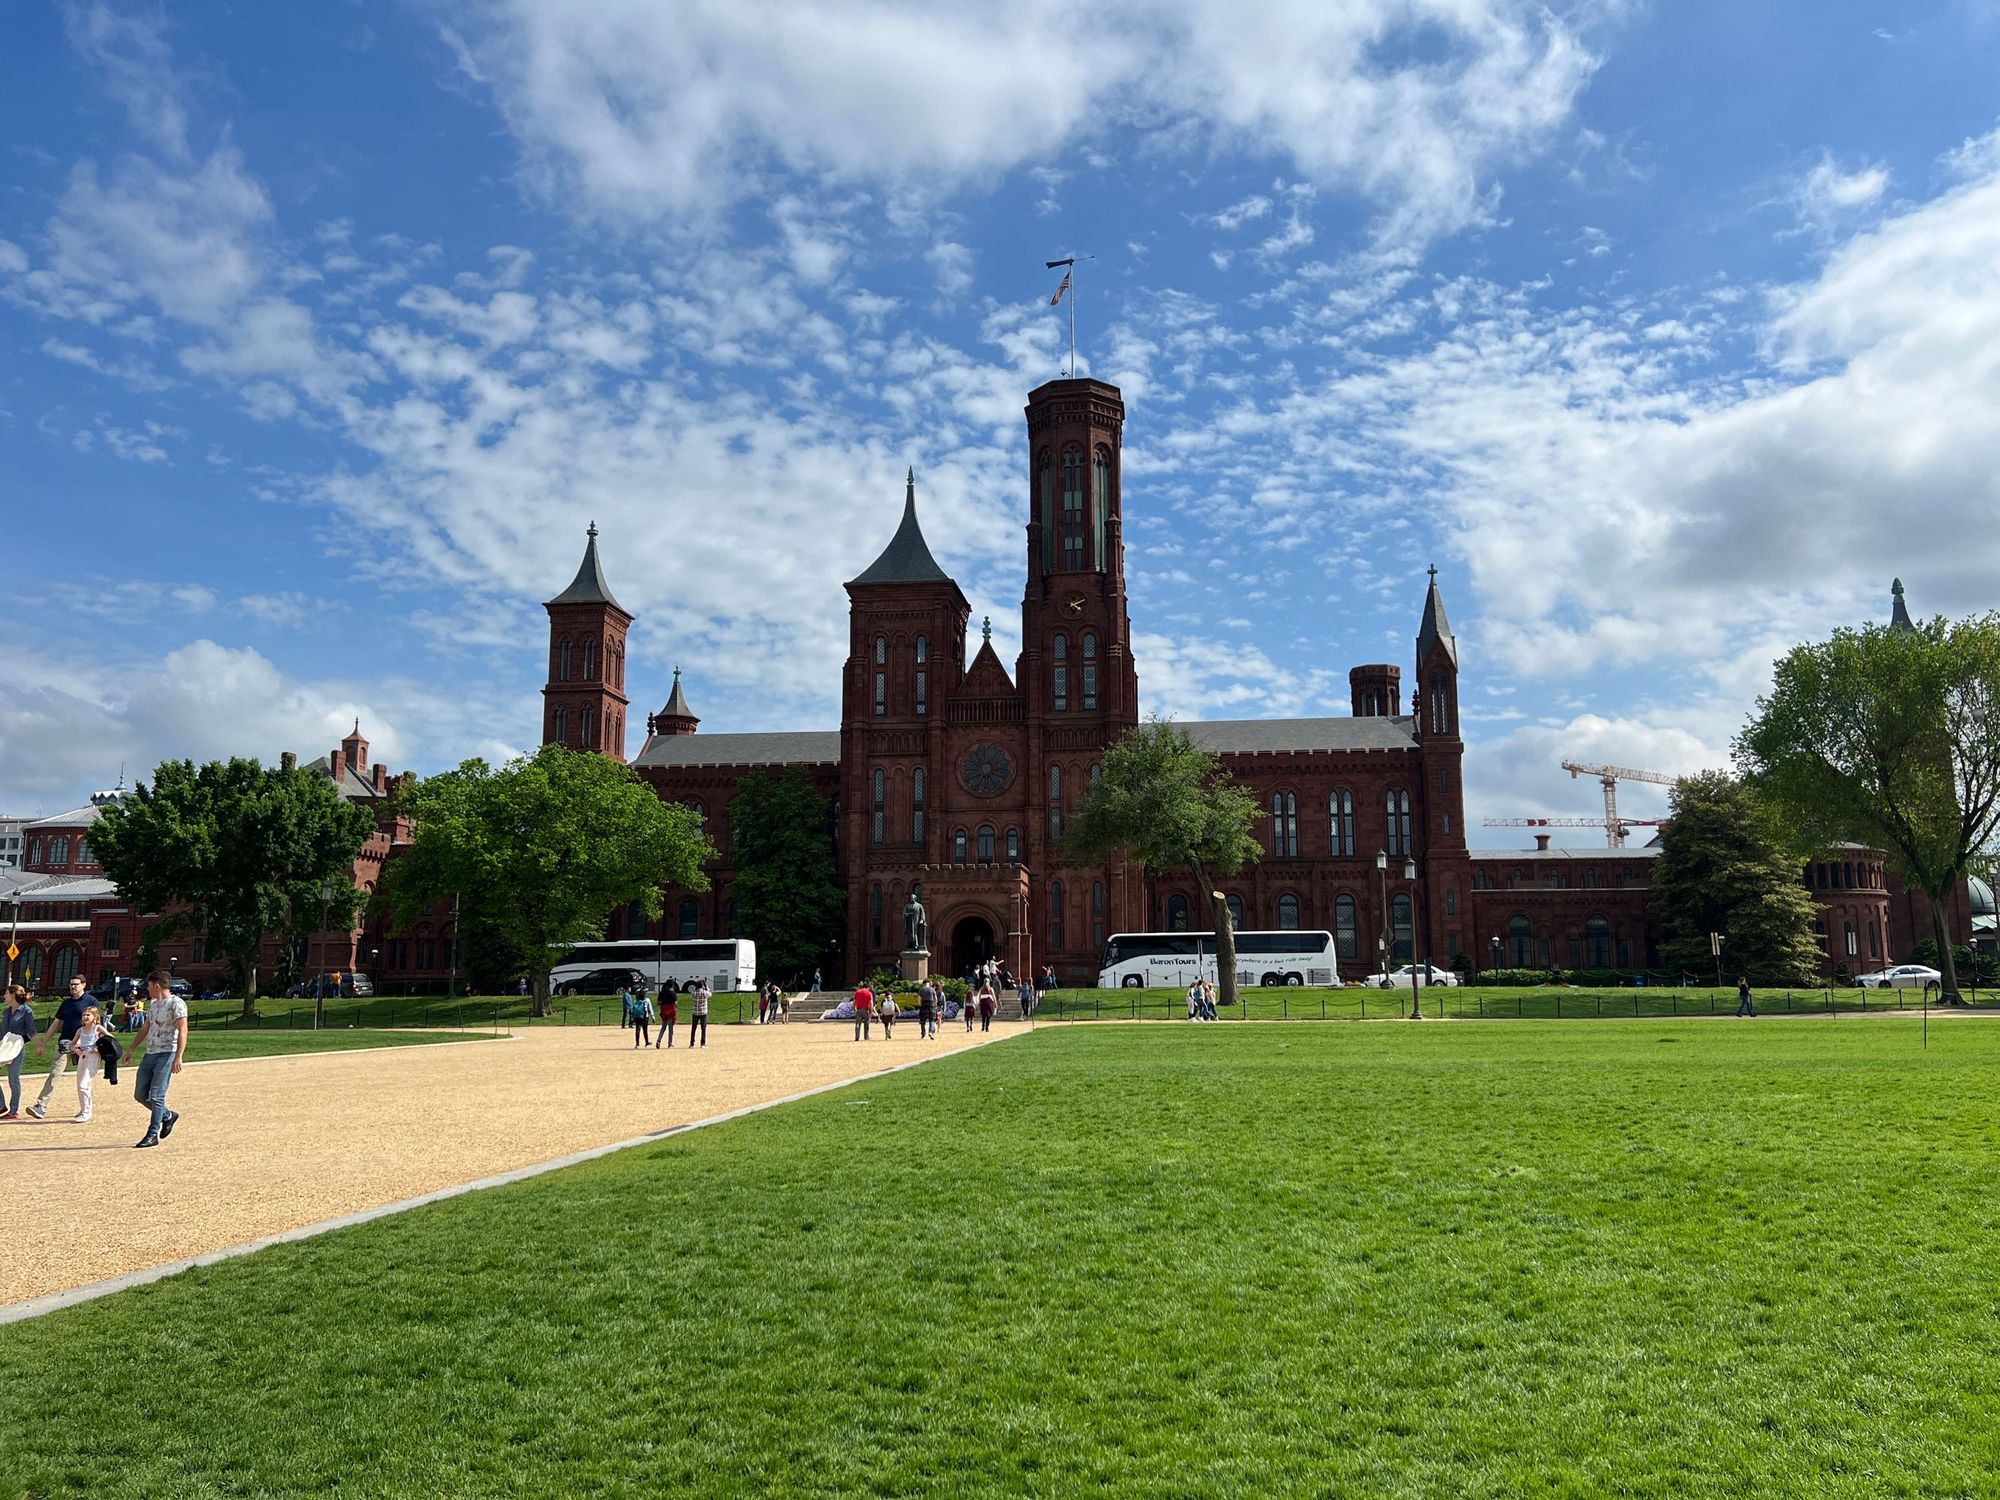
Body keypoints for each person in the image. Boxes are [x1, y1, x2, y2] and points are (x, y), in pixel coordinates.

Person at [128, 969, 187, 1148]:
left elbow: (183, 1029)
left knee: (156, 1095)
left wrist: (179, 1056)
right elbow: (145, 1028)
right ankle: (168, 1116)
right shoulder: (153, 1005)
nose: (147, 988)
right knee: (139, 1094)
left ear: (156, 985)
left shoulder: (177, 1004)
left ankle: (152, 1134)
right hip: (150, 1053)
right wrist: (131, 1048)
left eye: (149, 985)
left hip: (167, 1053)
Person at [27, 974, 92, 1120]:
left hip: (84, 1045)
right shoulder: (66, 1004)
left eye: (75, 984)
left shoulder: (90, 1001)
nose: (73, 987)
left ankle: (85, 1109)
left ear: (84, 985)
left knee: (84, 1078)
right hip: (65, 1043)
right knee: (55, 1073)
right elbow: (56, 1024)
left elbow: (95, 1023)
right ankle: (41, 1106)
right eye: (71, 984)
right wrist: (43, 1044)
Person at [1, 986, 36, 1120]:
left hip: (17, 1047)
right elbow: (4, 1031)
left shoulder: (26, 1011)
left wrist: (38, 1045)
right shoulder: (6, 1012)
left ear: (13, 995)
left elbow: (31, 1030)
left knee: (13, 1079)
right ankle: (1, 1105)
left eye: (6, 993)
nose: (4, 996)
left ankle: (13, 1110)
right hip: (5, 1045)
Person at [69, 1004, 107, 1122]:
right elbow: (73, 1043)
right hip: (83, 1057)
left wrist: (98, 1049)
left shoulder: (98, 1029)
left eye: (88, 1015)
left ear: (95, 1017)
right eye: (84, 1015)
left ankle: (86, 1112)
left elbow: (110, 1040)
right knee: (80, 1083)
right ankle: (84, 1108)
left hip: (93, 1058)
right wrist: (76, 1049)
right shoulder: (80, 1030)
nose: (85, 1017)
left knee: (84, 1084)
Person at [687, 981, 709, 1047]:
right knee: (703, 1029)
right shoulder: (705, 993)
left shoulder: (694, 993)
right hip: (703, 1012)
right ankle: (703, 1043)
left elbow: (692, 996)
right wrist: (706, 987)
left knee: (693, 1028)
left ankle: (692, 1043)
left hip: (695, 1012)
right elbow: (710, 994)